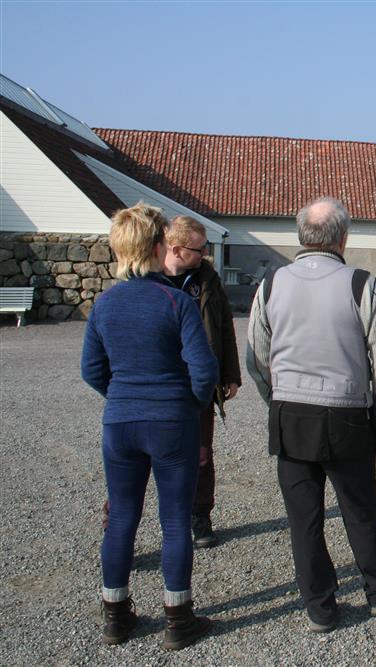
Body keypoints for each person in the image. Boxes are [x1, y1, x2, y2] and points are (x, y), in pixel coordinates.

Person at [246, 196, 376, 633]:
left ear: (301, 235)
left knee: (303, 517)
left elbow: (255, 356)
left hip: (291, 412)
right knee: (360, 508)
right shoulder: (361, 284)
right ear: (342, 237)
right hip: (346, 414)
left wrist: (276, 399)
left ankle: (320, 606)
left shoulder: (270, 284)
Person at [81, 202, 216, 649]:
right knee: (175, 519)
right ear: (159, 247)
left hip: (120, 421)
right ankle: (178, 618)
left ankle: (115, 615)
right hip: (171, 421)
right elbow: (204, 370)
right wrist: (185, 405)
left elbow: (92, 370)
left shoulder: (104, 304)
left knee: (121, 516)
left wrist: (121, 397)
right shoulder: (175, 301)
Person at [162, 215, 242, 548]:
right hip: (162, 386)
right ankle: (121, 528)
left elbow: (223, 327)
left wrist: (230, 374)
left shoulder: (207, 278)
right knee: (142, 462)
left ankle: (200, 515)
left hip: (200, 386)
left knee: (202, 456)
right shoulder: (148, 281)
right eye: (199, 248)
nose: (206, 253)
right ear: (176, 249)